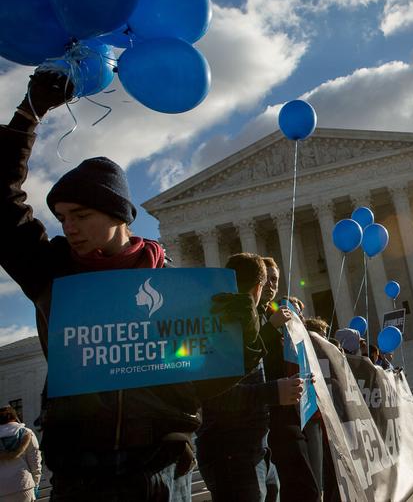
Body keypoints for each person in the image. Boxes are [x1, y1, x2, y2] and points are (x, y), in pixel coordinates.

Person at [0, 71, 265, 500]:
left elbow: (201, 382)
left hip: (161, 469)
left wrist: (244, 336)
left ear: (119, 216)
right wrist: (28, 113)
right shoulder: (51, 273)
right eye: (63, 217)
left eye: (82, 216)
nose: (70, 228)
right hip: (80, 469)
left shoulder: (175, 285)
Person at [196, 253, 304, 502]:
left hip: (255, 444)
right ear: (259, 286)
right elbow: (212, 395)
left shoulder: (241, 319)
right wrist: (273, 392)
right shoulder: (222, 324)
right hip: (232, 449)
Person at [258, 261, 322, 502]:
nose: (271, 285)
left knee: (306, 488)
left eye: (275, 279)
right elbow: (248, 356)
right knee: (304, 490)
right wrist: (270, 327)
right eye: (266, 279)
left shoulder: (273, 313)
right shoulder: (254, 318)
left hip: (294, 410)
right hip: (272, 413)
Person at [0, 406, 41, 502]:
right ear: (14, 417)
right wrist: (36, 483)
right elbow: (35, 462)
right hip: (23, 486)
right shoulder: (26, 433)